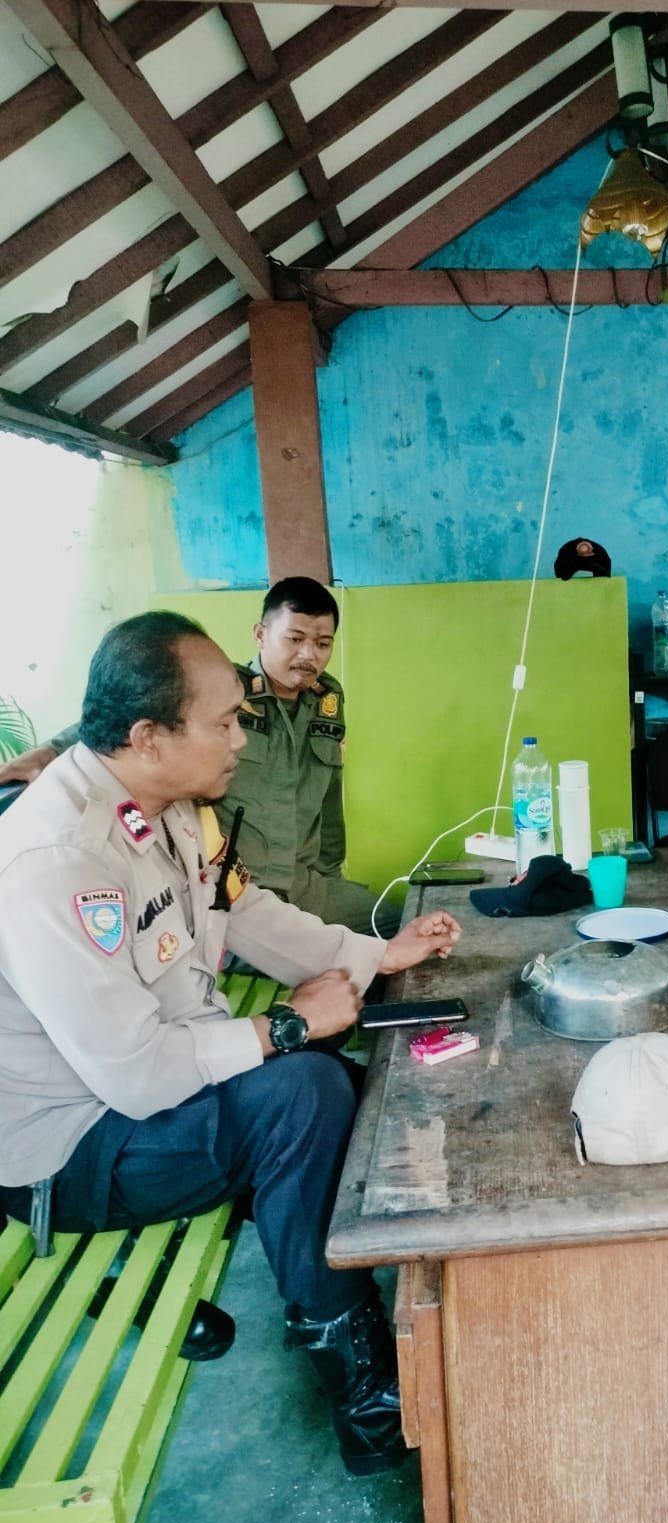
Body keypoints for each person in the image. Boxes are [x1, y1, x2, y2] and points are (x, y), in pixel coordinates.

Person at [0, 611, 462, 1476]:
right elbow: (137, 1076)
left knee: (334, 1077)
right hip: (73, 1151)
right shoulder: (57, 859)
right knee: (304, 1094)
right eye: (221, 724)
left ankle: (343, 1293)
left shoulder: (166, 808)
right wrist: (285, 1026)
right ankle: (367, 1401)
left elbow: (243, 911)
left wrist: (375, 955)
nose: (240, 741)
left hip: (153, 1091)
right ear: (149, 736)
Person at [0, 578, 402, 935]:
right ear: (261, 634)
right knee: (316, 953)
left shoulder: (327, 699)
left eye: (322, 643)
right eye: (294, 639)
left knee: (395, 922)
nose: (308, 655)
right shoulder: (219, 689)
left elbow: (329, 794)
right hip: (240, 883)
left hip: (306, 884)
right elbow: (128, 717)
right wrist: (49, 750)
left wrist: (331, 872)